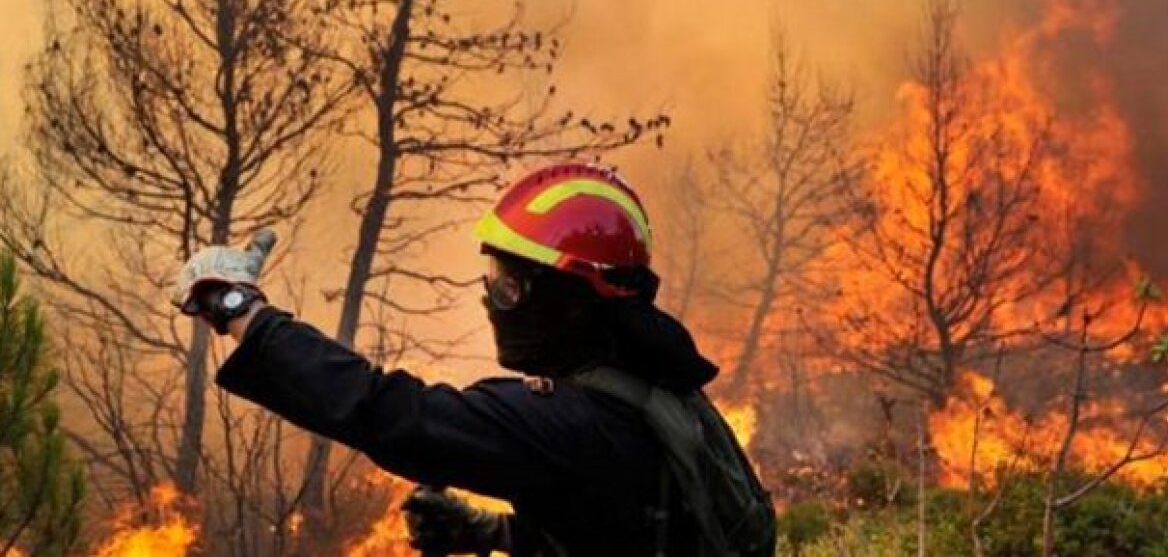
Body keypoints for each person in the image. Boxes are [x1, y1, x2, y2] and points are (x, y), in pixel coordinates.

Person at [172, 163, 764, 556]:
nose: (492, 298)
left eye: (509, 284)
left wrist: (242, 312)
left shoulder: (570, 421)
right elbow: (627, 529)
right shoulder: (660, 380)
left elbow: (391, 414)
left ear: (569, 299)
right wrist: (493, 532)